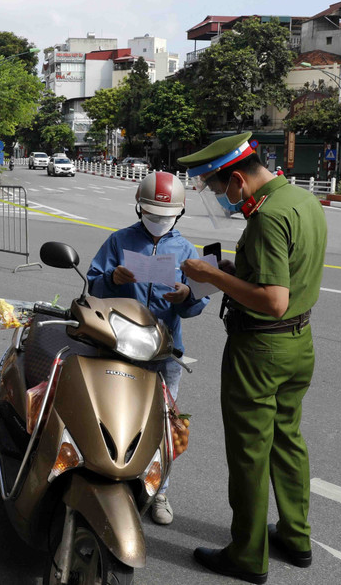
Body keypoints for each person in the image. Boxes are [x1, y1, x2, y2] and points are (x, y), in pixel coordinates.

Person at [178, 132, 327, 584]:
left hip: (260, 348)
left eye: (221, 189)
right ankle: (296, 537)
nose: (222, 199)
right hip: (299, 344)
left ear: (239, 180)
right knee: (288, 440)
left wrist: (211, 276)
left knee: (249, 453)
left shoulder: (266, 218)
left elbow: (272, 299)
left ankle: (246, 554)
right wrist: (234, 272)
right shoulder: (303, 201)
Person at [86, 171, 209, 526]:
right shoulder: (119, 241)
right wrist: (113, 278)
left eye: (165, 216)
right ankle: (110, 477)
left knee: (164, 426)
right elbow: (93, 287)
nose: (158, 222)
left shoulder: (185, 250)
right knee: (113, 416)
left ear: (180, 214)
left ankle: (160, 490)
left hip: (165, 353)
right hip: (118, 348)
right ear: (139, 210)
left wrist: (187, 296)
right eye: (152, 214)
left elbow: (196, 304)